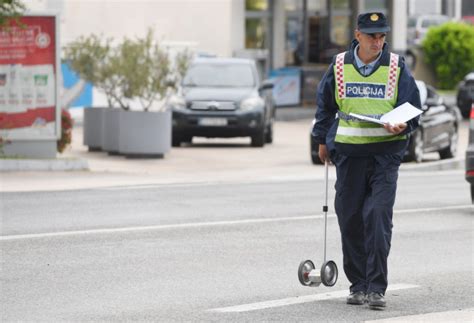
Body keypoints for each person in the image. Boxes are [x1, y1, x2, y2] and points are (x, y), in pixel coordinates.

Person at [311, 12, 422, 309]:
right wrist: (322, 140)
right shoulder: (338, 65)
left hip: (386, 154)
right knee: (350, 220)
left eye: (382, 35)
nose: (378, 41)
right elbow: (325, 104)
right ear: (357, 34)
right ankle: (357, 284)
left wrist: (403, 124)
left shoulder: (396, 66)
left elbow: (412, 106)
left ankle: (375, 288)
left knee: (377, 217)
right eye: (372, 35)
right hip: (349, 155)